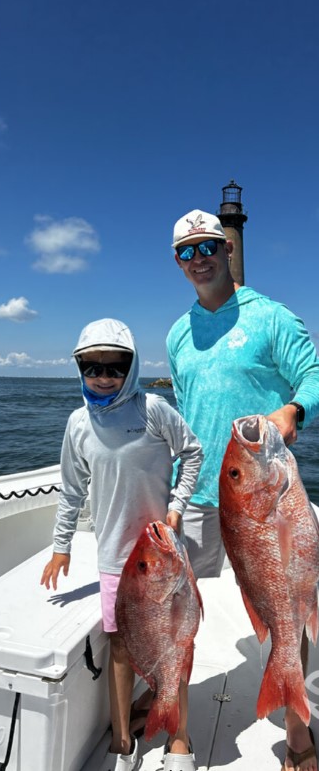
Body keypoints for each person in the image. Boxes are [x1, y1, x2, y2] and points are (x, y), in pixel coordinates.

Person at [166, 207, 319, 771]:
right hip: (196, 497)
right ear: (178, 262)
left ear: (227, 248)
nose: (198, 259)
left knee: (291, 608)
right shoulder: (178, 333)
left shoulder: (272, 317)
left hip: (264, 497)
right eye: (185, 252)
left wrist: (293, 409)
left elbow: (315, 374)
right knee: (174, 612)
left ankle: (299, 734)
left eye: (207, 246)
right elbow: (184, 413)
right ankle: (176, 726)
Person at [41, 317, 203, 771]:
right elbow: (71, 490)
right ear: (78, 368)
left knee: (175, 644)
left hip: (165, 556)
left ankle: (180, 739)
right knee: (120, 646)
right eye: (92, 367)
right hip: (114, 559)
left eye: (115, 367)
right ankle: (120, 738)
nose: (104, 377)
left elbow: (192, 451)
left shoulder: (153, 409)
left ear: (131, 368)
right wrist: (62, 546)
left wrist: (176, 505)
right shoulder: (78, 424)